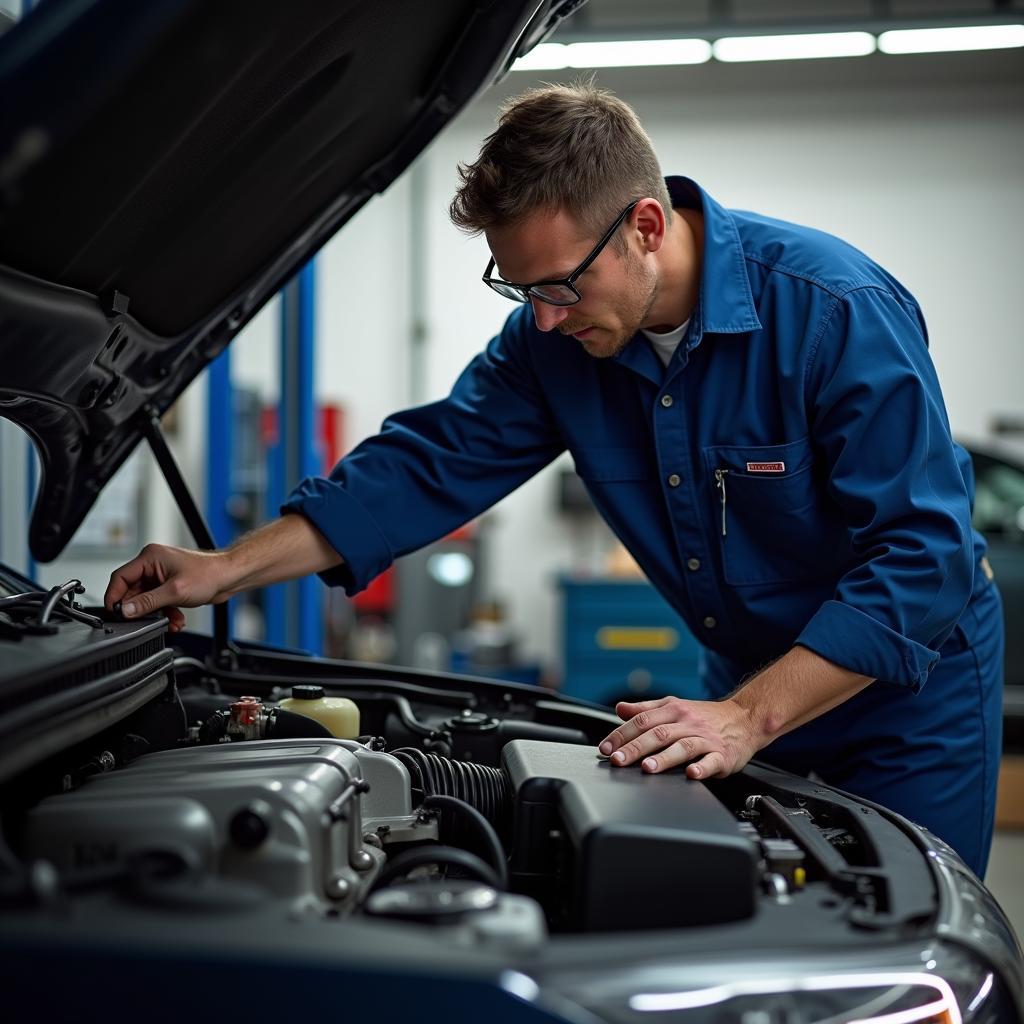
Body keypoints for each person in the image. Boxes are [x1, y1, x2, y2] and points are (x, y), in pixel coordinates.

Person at [105, 82, 1003, 877]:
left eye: (562, 286)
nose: (542, 315)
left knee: (888, 933)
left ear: (645, 228)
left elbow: (925, 556)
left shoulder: (833, 311)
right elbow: (428, 465)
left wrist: (748, 719)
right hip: (742, 678)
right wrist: (224, 567)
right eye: (518, 288)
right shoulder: (553, 343)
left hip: (905, 703)